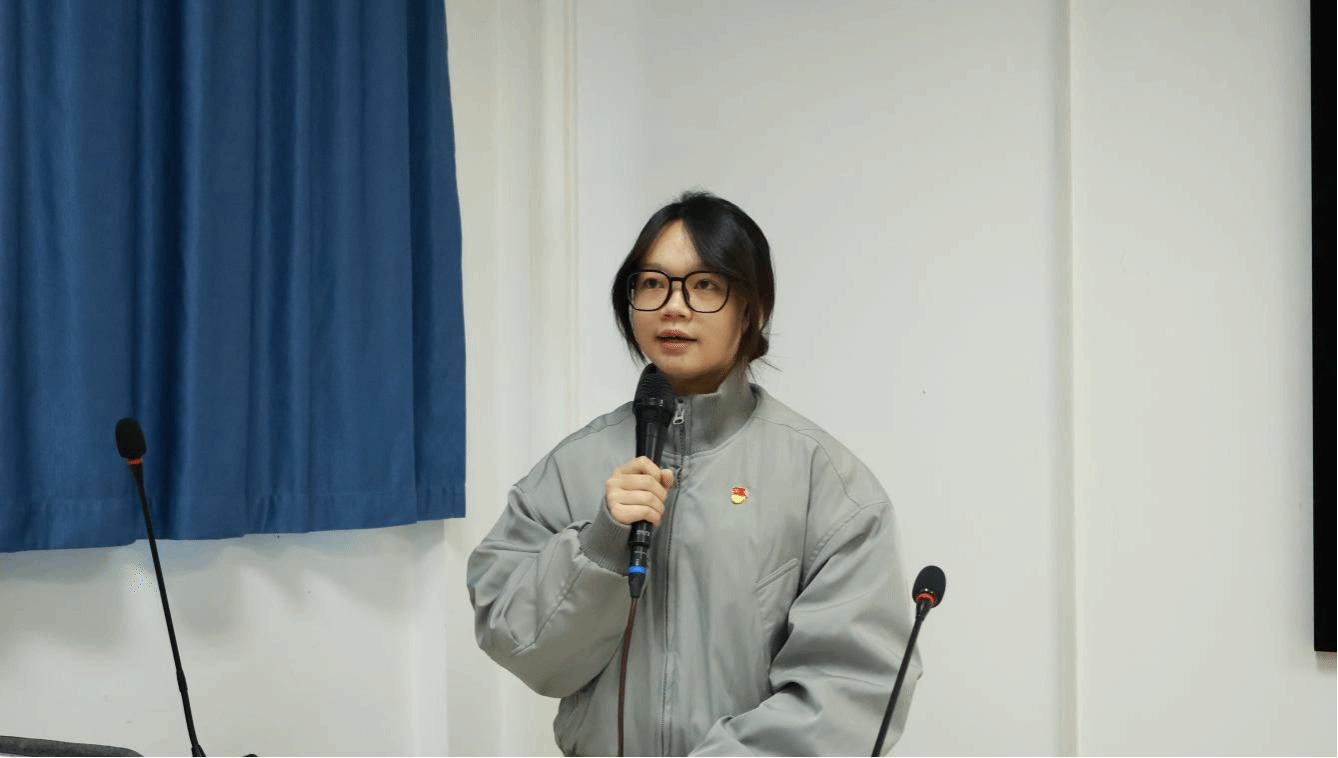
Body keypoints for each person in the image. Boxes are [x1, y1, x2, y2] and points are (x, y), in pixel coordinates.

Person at [466, 189, 921, 756]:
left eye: (704, 284)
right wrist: (599, 546)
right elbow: (522, 647)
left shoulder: (824, 480)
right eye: (652, 283)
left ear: (753, 309)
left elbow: (853, 689)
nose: (673, 307)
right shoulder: (573, 465)